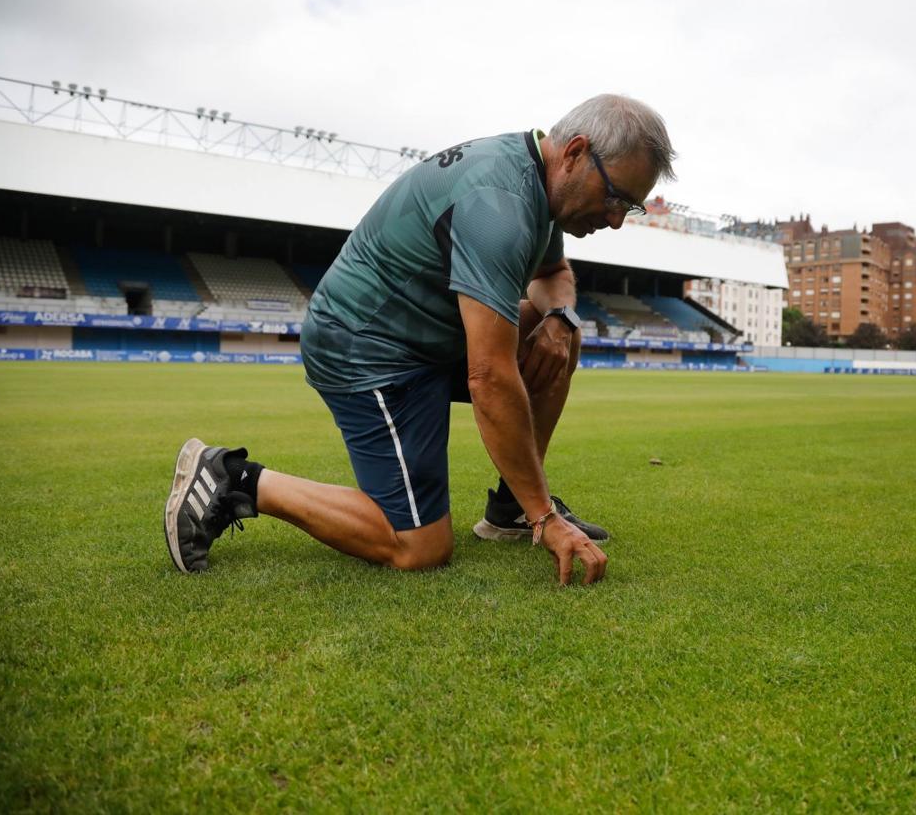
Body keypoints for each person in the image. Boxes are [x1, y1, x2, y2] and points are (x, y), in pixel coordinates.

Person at [163, 94, 676, 585]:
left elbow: (554, 270)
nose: (614, 220)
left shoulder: (537, 186)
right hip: (367, 345)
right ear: (575, 152)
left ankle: (511, 508)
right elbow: (489, 379)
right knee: (419, 548)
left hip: (426, 335)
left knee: (558, 336)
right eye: (614, 197)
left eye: (628, 207)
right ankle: (232, 478)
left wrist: (561, 316)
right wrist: (549, 518)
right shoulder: (498, 206)